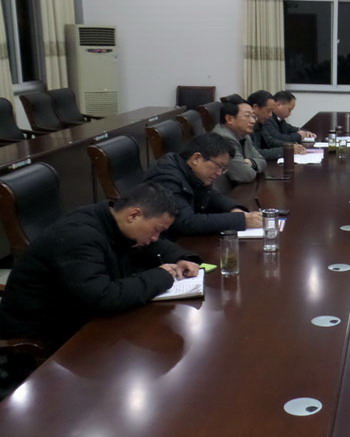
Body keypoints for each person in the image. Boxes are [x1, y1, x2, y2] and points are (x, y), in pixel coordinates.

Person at [0, 183, 200, 349]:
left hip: (78, 315)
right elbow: (102, 297)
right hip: (45, 331)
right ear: (134, 215)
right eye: (156, 230)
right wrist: (162, 276)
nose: (156, 237)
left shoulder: (113, 219)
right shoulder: (80, 237)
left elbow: (152, 244)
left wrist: (180, 257)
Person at [142, 133, 263, 239]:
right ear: (196, 158)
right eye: (218, 166)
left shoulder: (192, 172)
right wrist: (241, 220)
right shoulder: (166, 178)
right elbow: (186, 222)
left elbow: (211, 195)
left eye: (223, 169)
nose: (219, 173)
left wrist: (234, 209)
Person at [212, 100, 266, 183]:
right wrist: (250, 165)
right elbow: (246, 175)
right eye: (247, 116)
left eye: (253, 116)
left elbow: (262, 161)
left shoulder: (244, 135)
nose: (253, 121)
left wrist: (250, 162)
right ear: (229, 119)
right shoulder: (224, 138)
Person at [248, 90, 305, 161]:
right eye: (268, 111)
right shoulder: (247, 126)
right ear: (255, 107)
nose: (270, 115)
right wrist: (286, 150)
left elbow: (271, 142)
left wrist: (290, 146)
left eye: (271, 111)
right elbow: (256, 154)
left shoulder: (259, 123)